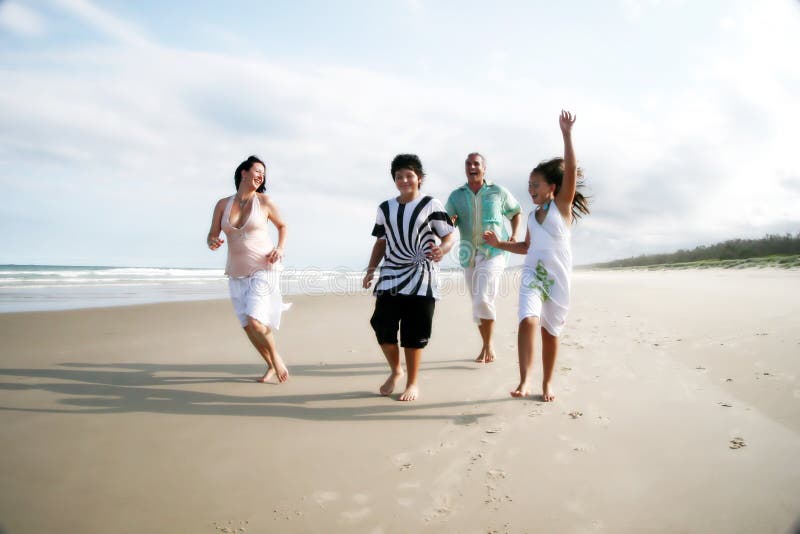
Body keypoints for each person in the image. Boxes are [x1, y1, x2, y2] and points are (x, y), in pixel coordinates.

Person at [484, 110, 590, 401]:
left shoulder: (562, 208)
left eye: (535, 185)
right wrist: (499, 243)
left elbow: (570, 168)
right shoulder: (531, 216)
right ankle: (525, 379)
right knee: (527, 319)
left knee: (550, 332)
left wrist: (567, 135)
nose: (530, 189)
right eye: (529, 185)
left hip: (556, 279)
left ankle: (547, 383)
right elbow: (526, 248)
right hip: (532, 275)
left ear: (552, 188)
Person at [362, 154, 456, 401]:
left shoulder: (431, 205)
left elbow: (449, 235)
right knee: (382, 326)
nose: (404, 180)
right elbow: (380, 243)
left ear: (419, 179)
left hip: (423, 277)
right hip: (391, 275)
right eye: (399, 176)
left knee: (414, 334)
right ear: (394, 180)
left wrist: (442, 250)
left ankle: (412, 383)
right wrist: (371, 269)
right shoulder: (385, 208)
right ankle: (396, 371)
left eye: (409, 176)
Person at [207, 155, 291, 383]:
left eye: (263, 173)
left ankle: (276, 358)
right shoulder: (222, 204)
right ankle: (270, 365)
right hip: (236, 272)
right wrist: (213, 241)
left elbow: (282, 226)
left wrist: (280, 248)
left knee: (255, 320)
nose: (261, 176)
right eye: (257, 170)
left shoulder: (264, 202)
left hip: (264, 267)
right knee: (248, 327)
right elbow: (212, 234)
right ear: (243, 173)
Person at [445, 152, 522, 363]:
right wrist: (450, 221)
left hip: (495, 251)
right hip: (468, 253)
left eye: (476, 164)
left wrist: (514, 235)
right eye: (468, 163)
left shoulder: (498, 191)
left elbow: (515, 212)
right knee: (476, 302)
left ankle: (488, 346)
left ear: (484, 168)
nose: (472, 167)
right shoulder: (456, 196)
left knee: (483, 298)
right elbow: (446, 223)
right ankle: (486, 345)